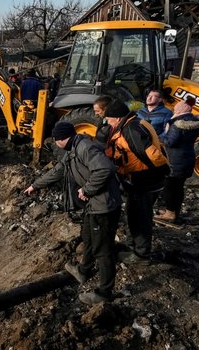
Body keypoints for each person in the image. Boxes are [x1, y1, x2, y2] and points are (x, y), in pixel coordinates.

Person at [24, 121, 122, 305]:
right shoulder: (72, 149)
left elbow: (105, 169)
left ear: (61, 139)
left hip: (103, 205)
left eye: (55, 139)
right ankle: (83, 270)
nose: (54, 142)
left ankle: (104, 293)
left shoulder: (85, 147)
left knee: (103, 249)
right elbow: (58, 171)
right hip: (93, 205)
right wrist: (35, 186)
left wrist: (87, 190)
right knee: (87, 235)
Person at [103, 99, 170, 262]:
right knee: (133, 212)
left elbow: (152, 155)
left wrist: (159, 173)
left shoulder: (131, 129)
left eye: (108, 119)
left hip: (144, 180)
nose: (107, 122)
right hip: (139, 179)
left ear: (117, 117)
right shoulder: (134, 122)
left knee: (140, 216)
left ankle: (141, 253)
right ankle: (134, 243)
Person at [156, 97, 199, 223]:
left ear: (179, 109)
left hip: (174, 160)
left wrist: (158, 139)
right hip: (187, 157)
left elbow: (170, 142)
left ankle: (170, 213)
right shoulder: (194, 122)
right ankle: (173, 211)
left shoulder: (178, 124)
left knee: (170, 187)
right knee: (178, 187)